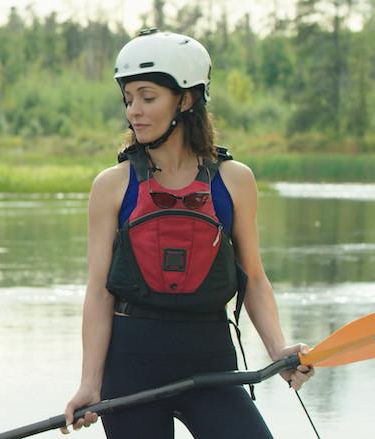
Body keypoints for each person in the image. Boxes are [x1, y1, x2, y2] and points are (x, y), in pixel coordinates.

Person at [59, 29, 314, 438]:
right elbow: (100, 290)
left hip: (210, 362)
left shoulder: (234, 181)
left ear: (187, 98)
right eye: (128, 99)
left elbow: (253, 278)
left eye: (147, 97)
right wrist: (90, 383)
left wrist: (278, 350)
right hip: (131, 368)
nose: (134, 112)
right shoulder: (112, 185)